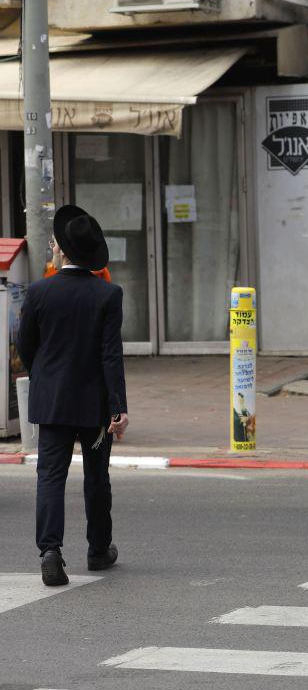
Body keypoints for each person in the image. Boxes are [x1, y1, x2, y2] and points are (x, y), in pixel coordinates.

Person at [18, 205, 128, 587]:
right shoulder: (108, 294)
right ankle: (98, 549)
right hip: (94, 403)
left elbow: (25, 346)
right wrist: (119, 408)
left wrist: (45, 376)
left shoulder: (38, 292)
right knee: (97, 477)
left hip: (51, 399)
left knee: (50, 476)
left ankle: (50, 551)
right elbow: (110, 355)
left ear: (62, 251)